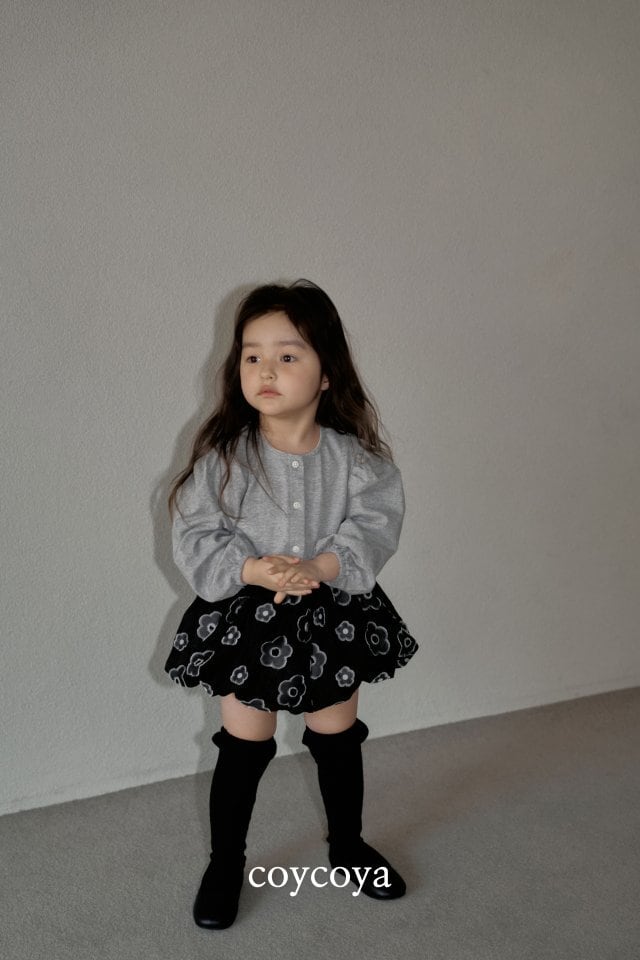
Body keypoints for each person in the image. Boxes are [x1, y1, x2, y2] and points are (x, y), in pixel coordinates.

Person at [164, 280, 418, 929]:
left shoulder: (356, 459)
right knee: (244, 744)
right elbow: (195, 533)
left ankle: (348, 846)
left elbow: (376, 523)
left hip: (333, 614)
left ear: (327, 372)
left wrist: (322, 566)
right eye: (252, 356)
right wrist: (252, 566)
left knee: (337, 737)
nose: (266, 370)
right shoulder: (225, 458)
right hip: (246, 620)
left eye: (287, 355)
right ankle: (226, 862)